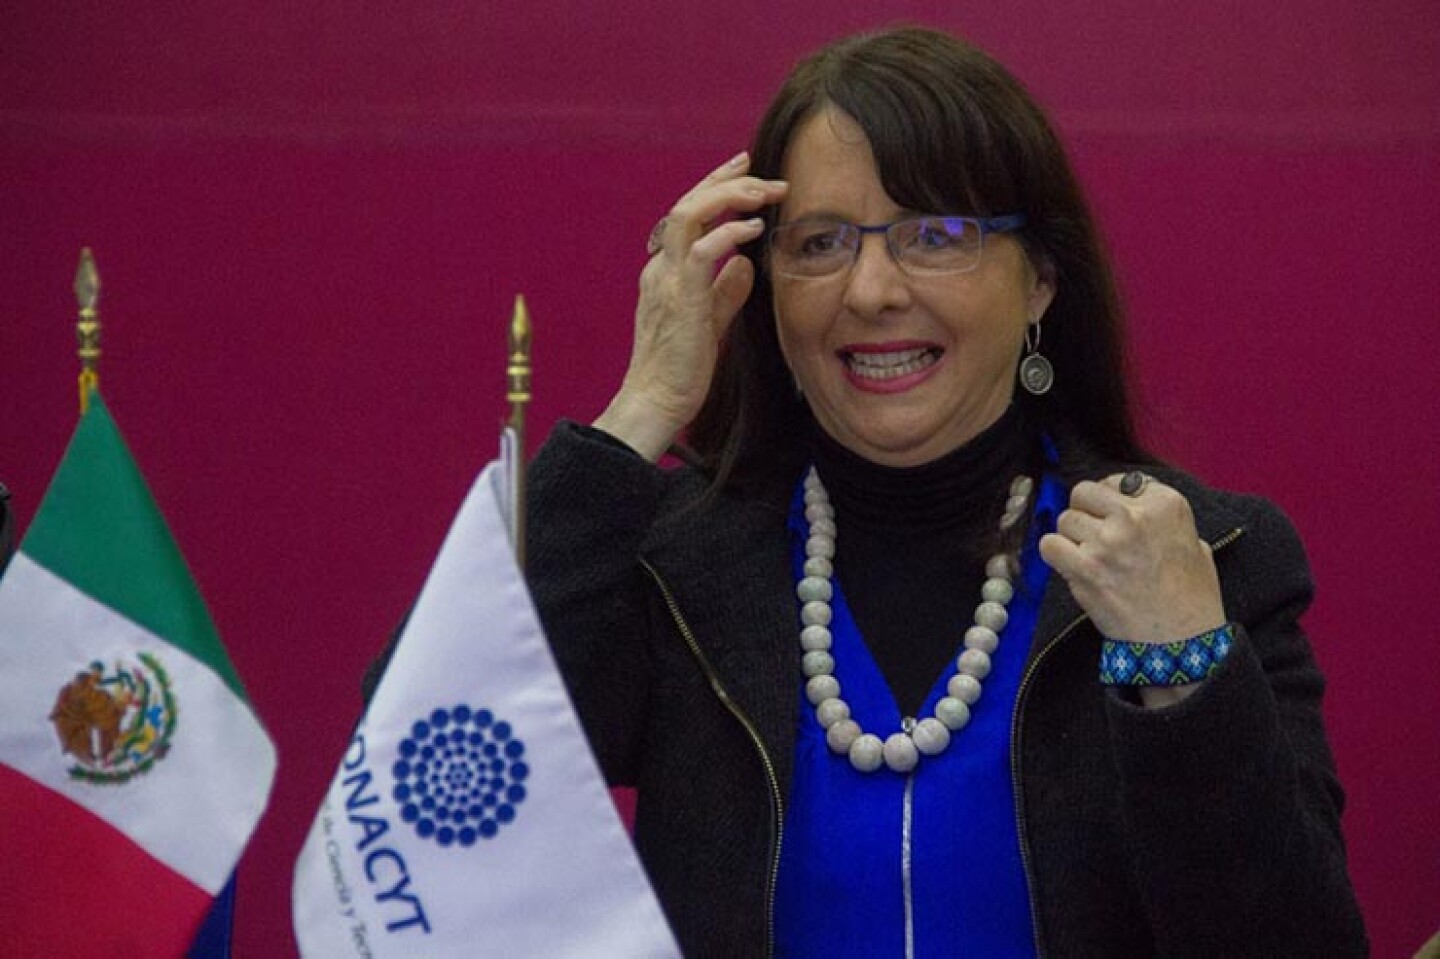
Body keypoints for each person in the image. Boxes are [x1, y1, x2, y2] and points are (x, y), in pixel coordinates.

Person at [518, 26, 1366, 957]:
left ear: (1040, 278)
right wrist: (644, 406)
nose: (872, 289)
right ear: (767, 290)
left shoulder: (1202, 557)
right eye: (821, 242)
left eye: (935, 235)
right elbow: (431, 766)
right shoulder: (672, 561)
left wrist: (1186, 670)